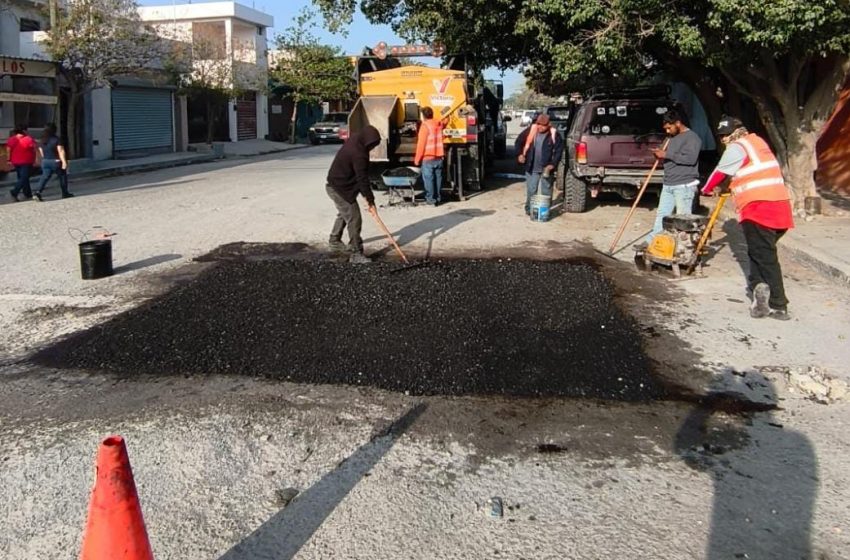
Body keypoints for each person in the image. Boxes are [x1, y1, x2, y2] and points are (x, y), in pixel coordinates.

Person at [700, 116, 795, 320]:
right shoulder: (757, 142)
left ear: (735, 132)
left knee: (766, 257)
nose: (724, 139)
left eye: (726, 135)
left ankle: (779, 304)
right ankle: (759, 295)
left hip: (759, 209)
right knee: (758, 253)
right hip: (779, 207)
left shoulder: (738, 147)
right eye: (722, 136)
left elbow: (719, 172)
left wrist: (706, 189)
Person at [643, 109, 703, 245]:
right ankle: (653, 243)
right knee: (662, 216)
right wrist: (659, 153)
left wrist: (666, 155)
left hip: (684, 185)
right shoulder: (670, 138)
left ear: (678, 123)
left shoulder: (692, 138)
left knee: (682, 220)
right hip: (668, 183)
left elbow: (690, 159)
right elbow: (669, 155)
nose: (667, 131)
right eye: (666, 129)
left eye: (669, 128)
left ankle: (683, 250)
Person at [326, 125, 382, 263]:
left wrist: (367, 199)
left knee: (345, 213)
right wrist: (370, 201)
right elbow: (362, 179)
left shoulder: (356, 140)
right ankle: (356, 253)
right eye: (373, 145)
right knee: (354, 218)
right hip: (339, 188)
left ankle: (334, 241)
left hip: (336, 184)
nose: (372, 148)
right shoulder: (359, 153)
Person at [517, 114, 563, 215]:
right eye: (538, 124)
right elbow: (518, 142)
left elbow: (559, 151)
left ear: (548, 125)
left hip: (546, 169)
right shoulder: (530, 131)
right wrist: (520, 154)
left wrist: (552, 164)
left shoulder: (554, 134)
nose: (540, 127)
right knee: (531, 190)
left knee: (546, 191)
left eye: (543, 125)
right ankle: (529, 209)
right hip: (531, 167)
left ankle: (545, 210)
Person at [413, 106, 444, 206]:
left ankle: (430, 199)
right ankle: (438, 197)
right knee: (438, 178)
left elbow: (421, 145)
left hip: (428, 158)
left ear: (423, 116)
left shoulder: (425, 126)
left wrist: (417, 159)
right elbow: (445, 122)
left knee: (429, 179)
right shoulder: (438, 124)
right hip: (439, 157)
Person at [34, 124, 73, 201]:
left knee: (44, 177)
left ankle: (37, 192)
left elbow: (41, 152)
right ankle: (65, 193)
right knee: (62, 176)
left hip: (45, 161)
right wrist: (64, 162)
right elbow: (60, 151)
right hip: (55, 161)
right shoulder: (56, 139)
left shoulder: (42, 140)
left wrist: (41, 160)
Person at [6, 125, 37, 202]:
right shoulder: (29, 139)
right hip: (26, 161)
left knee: (22, 177)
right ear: (24, 131)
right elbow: (35, 149)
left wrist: (8, 160)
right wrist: (36, 160)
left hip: (15, 161)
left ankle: (27, 193)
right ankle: (14, 191)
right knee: (24, 177)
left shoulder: (11, 139)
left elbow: (8, 150)